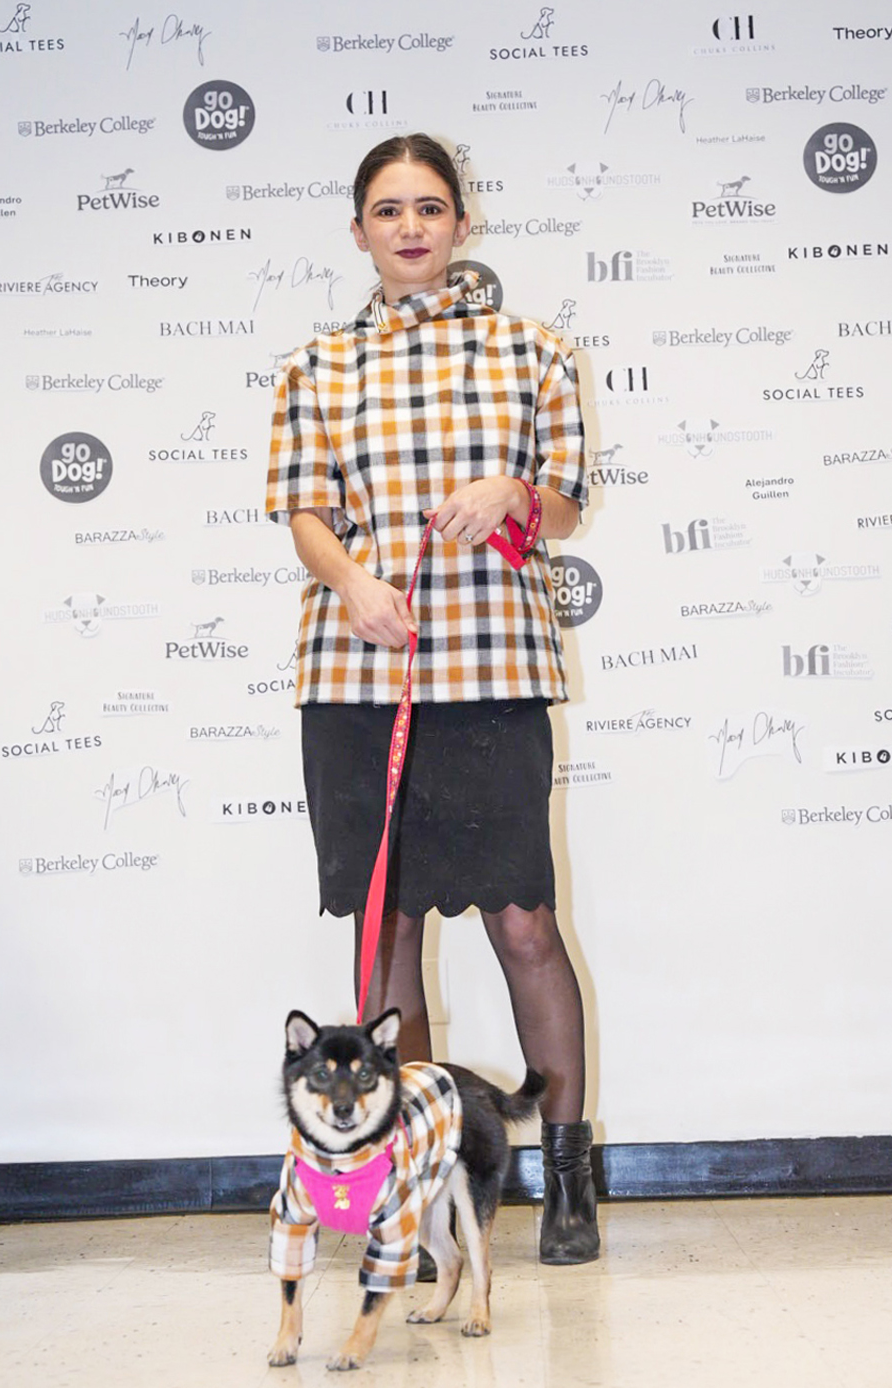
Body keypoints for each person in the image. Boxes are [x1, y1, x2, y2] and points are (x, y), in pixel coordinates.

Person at [265, 134, 601, 1265]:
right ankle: (402, 1176)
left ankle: (568, 1180)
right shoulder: (318, 365)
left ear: (463, 224)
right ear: (358, 230)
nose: (410, 226)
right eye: (387, 210)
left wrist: (514, 487)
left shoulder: (534, 350)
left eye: (431, 207)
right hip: (360, 676)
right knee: (386, 923)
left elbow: (558, 506)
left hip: (495, 667)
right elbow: (305, 511)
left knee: (523, 923)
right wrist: (353, 581)